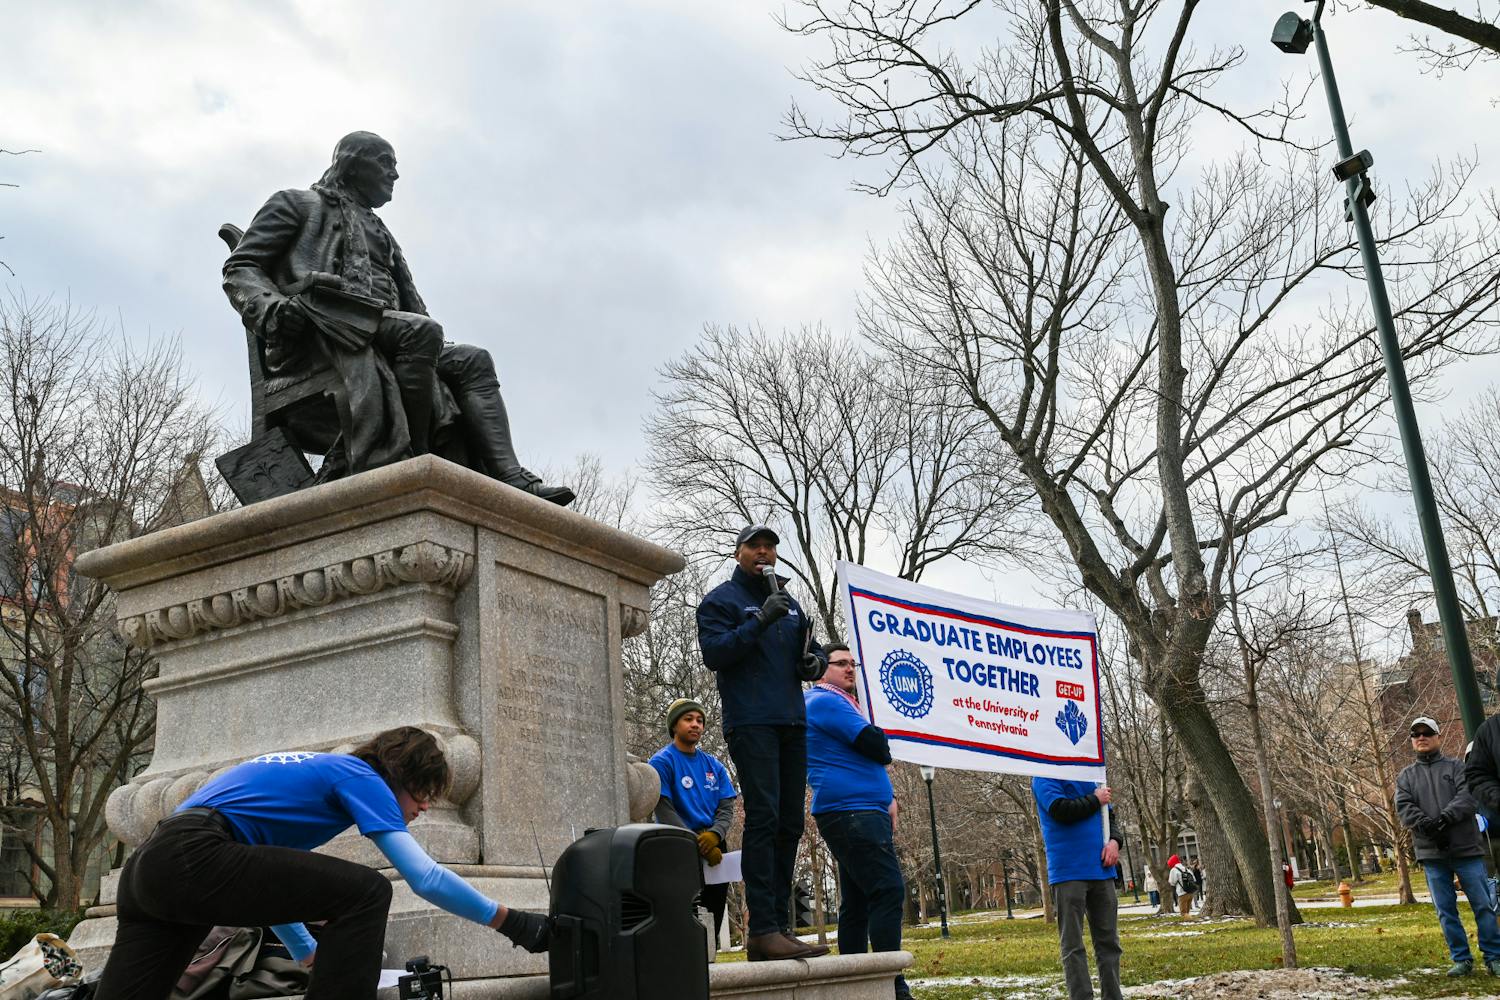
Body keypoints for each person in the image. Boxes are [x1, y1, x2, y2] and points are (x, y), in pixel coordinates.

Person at [223, 131, 572, 503]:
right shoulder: (296, 204)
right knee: (421, 333)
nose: (395, 175)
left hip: (386, 330)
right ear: (352, 164)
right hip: (325, 329)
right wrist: (274, 309)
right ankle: (416, 462)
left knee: (473, 359)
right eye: (385, 163)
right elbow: (241, 267)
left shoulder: (378, 228)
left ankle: (510, 477)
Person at [94, 727, 551, 1000]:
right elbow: (424, 877)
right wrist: (513, 923)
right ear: (402, 776)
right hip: (196, 854)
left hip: (150, 870)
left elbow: (270, 888)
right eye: (424, 794)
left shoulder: (310, 774)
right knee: (369, 892)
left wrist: (307, 952)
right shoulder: (362, 776)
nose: (425, 809)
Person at [696, 524, 828, 961]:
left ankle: (781, 925)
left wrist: (814, 663)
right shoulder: (721, 601)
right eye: (755, 546)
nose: (764, 552)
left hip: (792, 722)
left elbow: (810, 654)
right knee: (765, 818)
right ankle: (762, 928)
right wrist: (760, 620)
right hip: (752, 722)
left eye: (770, 546)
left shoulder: (790, 605)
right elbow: (716, 653)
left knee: (791, 821)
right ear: (738, 554)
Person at [805, 645, 912, 1000]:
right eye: (841, 663)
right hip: (852, 812)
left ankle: (853, 986)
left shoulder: (843, 703)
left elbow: (868, 758)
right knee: (887, 889)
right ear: (823, 669)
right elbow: (876, 746)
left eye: (853, 663)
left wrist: (889, 796)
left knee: (857, 900)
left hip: (859, 810)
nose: (850, 669)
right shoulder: (825, 701)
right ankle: (888, 982)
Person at [1398, 715, 1500, 977]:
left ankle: (1493, 956)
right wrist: (1428, 827)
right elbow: (1405, 808)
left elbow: (1467, 797)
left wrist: (1444, 820)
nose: (1421, 737)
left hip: (1467, 850)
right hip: (1432, 854)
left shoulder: (1457, 767)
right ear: (1411, 741)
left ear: (1437, 737)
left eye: (1427, 733)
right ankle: (1462, 960)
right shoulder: (1405, 777)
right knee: (1445, 910)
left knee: (1483, 905)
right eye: (1416, 734)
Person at [649, 697, 738, 946]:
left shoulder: (715, 765)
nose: (695, 724)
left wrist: (714, 836)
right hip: (678, 845)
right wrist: (694, 842)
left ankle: (710, 961)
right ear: (674, 725)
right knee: (684, 913)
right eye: (688, 719)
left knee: (713, 911)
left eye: (699, 720)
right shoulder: (662, 762)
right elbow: (664, 808)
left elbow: (726, 807)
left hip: (715, 847)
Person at [1032, 777, 1124, 1000]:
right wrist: (1094, 799)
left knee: (1109, 943)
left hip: (1102, 871)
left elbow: (1109, 817)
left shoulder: (1090, 773)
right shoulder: (1043, 775)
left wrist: (1114, 841)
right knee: (1073, 945)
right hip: (1068, 872)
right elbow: (1060, 810)